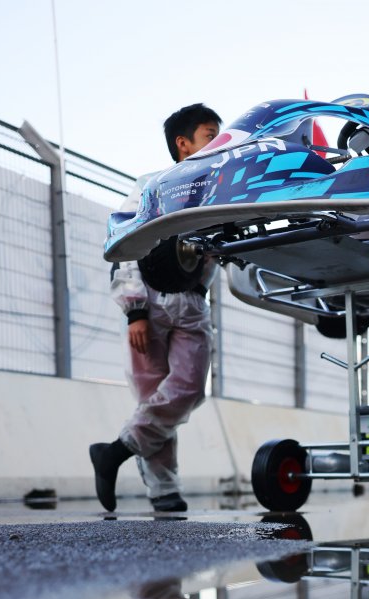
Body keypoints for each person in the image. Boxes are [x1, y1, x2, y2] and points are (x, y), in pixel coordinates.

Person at [90, 103, 222, 514]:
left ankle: (115, 451)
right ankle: (164, 491)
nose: (220, 142)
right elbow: (126, 240)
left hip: (193, 301)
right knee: (152, 395)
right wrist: (134, 311)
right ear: (183, 143)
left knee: (188, 388)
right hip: (149, 299)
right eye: (210, 135)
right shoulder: (154, 185)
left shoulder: (221, 189)